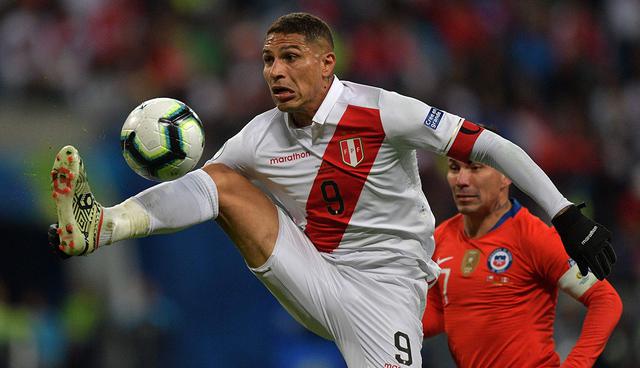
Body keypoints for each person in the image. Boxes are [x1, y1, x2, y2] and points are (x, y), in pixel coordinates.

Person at [47, 12, 616, 367]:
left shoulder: (383, 110)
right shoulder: (260, 134)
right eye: (268, 59)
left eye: (290, 58)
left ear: (326, 64)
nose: (274, 71)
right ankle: (101, 226)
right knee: (221, 181)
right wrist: (115, 220)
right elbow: (199, 191)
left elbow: (490, 145)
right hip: (316, 272)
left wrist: (564, 213)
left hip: (389, 289)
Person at [422, 154, 623, 367]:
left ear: (506, 175)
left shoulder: (532, 237)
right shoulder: (441, 237)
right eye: (454, 168)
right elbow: (438, 311)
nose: (461, 180)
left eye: (475, 169)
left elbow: (605, 300)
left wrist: (576, 364)